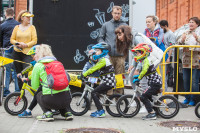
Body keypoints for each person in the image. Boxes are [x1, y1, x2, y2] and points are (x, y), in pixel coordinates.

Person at [33, 44, 72, 121]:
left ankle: (47, 113)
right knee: (60, 92)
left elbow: (34, 86)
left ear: (41, 54)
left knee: (38, 94)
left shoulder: (38, 65)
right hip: (67, 99)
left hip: (50, 100)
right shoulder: (58, 63)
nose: (35, 55)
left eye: (36, 53)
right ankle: (67, 113)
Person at [79, 42, 115, 118]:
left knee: (93, 93)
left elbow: (93, 69)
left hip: (108, 82)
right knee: (96, 92)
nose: (96, 52)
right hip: (107, 81)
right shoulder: (103, 59)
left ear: (103, 51)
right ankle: (99, 108)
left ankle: (101, 111)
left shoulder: (104, 60)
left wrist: (84, 74)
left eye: (98, 50)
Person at [98, 6, 127, 95]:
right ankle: (109, 95)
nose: (117, 15)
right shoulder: (106, 25)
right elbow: (100, 38)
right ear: (112, 13)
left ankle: (119, 96)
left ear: (121, 14)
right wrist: (104, 45)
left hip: (120, 56)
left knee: (119, 77)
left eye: (118, 13)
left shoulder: (125, 25)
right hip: (108, 56)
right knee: (108, 76)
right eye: (115, 13)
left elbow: (129, 38)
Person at [131, 43, 162, 120]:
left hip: (155, 83)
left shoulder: (146, 60)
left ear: (143, 52)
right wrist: (137, 76)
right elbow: (144, 71)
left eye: (138, 53)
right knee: (147, 95)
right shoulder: (144, 60)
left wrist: (139, 77)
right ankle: (155, 110)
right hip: (153, 82)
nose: (136, 54)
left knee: (143, 96)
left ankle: (151, 113)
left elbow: (144, 70)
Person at [10, 10, 37, 90]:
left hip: (28, 53)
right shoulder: (16, 27)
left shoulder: (32, 28)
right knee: (18, 73)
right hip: (17, 52)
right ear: (22, 18)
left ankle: (31, 89)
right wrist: (18, 43)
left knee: (27, 71)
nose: (29, 19)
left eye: (30, 17)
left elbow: (34, 40)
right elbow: (12, 39)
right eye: (27, 17)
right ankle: (20, 92)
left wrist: (26, 45)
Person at [178, 17, 200, 106]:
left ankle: (194, 99)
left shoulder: (198, 32)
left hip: (196, 59)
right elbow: (178, 43)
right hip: (186, 59)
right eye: (189, 22)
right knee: (186, 79)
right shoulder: (185, 32)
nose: (190, 24)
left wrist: (197, 38)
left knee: (194, 80)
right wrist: (182, 39)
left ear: (197, 24)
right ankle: (187, 97)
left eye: (193, 22)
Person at [0, 8, 20, 96]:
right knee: (16, 70)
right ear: (13, 14)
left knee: (7, 70)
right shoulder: (18, 25)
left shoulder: (2, 25)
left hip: (6, 49)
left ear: (6, 14)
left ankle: (6, 91)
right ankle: (17, 90)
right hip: (16, 49)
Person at [17, 46, 38, 117]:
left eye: (33, 56)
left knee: (37, 95)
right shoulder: (36, 62)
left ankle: (29, 111)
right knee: (37, 95)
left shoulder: (40, 64)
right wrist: (22, 73)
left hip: (45, 83)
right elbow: (29, 68)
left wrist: (27, 79)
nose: (32, 57)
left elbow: (35, 74)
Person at [159, 20, 176, 90]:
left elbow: (171, 47)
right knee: (161, 74)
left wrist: (168, 57)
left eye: (162, 27)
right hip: (161, 55)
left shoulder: (171, 34)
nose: (161, 29)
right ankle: (162, 89)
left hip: (167, 55)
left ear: (165, 26)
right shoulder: (162, 33)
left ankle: (165, 91)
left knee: (164, 74)